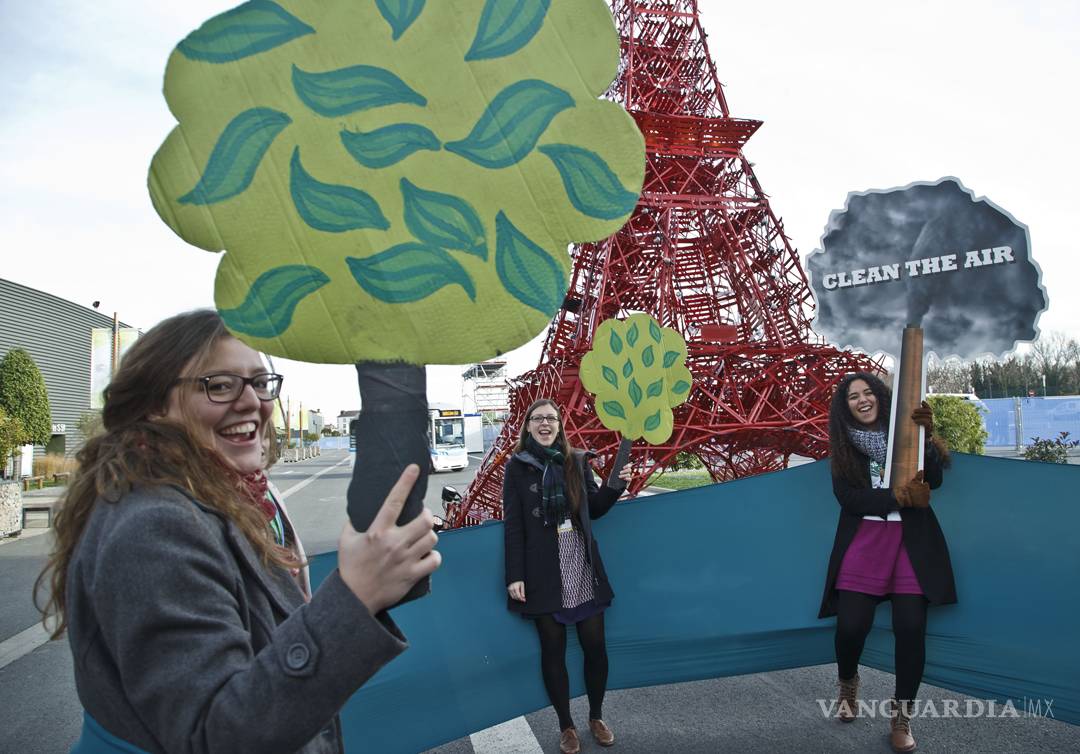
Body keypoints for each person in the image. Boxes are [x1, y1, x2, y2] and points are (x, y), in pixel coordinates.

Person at [36, 309, 440, 753]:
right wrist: (355, 595)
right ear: (153, 407)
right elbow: (216, 737)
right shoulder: (154, 526)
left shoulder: (237, 497)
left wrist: (382, 575)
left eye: (260, 382)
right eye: (220, 385)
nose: (252, 402)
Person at [818, 373, 956, 752]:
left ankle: (901, 717)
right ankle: (848, 683)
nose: (861, 400)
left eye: (867, 393)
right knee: (850, 627)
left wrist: (925, 436)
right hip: (864, 543)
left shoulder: (908, 435)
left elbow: (936, 481)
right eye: (852, 397)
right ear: (844, 408)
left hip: (912, 544)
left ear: (880, 397)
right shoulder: (844, 448)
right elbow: (849, 499)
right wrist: (898, 496)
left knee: (911, 629)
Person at [503, 399, 632, 754]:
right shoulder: (516, 467)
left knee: (596, 648)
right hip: (542, 569)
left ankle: (595, 715)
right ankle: (566, 725)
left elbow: (597, 508)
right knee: (553, 651)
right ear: (527, 426)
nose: (545, 423)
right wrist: (515, 576)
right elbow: (513, 527)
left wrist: (615, 485)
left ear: (560, 426)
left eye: (552, 418)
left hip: (580, 562)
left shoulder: (577, 461)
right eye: (538, 418)